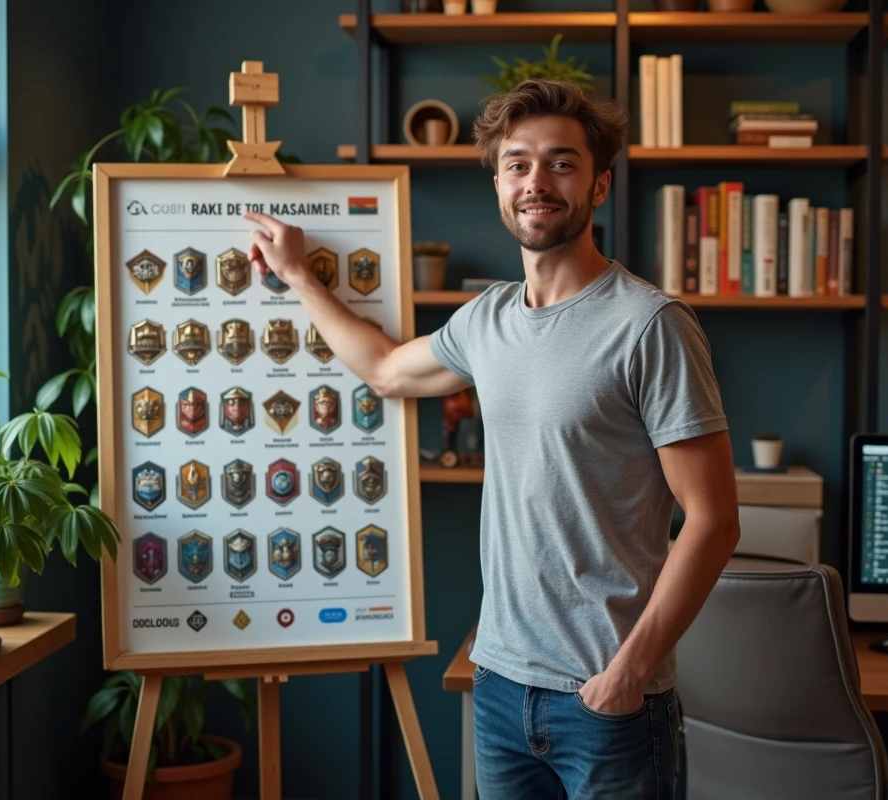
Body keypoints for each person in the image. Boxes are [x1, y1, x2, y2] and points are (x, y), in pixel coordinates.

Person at [243, 78, 740, 799]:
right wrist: (296, 273)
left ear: (599, 185)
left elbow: (715, 520)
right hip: (500, 689)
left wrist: (627, 676)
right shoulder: (488, 319)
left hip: (606, 702)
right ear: (500, 183)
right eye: (518, 164)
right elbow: (385, 369)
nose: (537, 181)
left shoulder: (650, 325)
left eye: (561, 163)